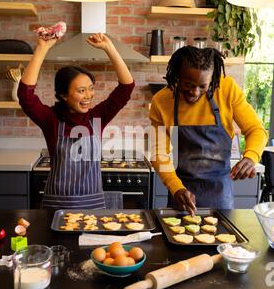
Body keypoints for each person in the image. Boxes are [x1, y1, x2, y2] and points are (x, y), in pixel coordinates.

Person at [18, 33, 135, 209]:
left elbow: (126, 87)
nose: (89, 96)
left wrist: (109, 48)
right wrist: (42, 49)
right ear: (64, 95)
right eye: (81, 90)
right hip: (57, 207)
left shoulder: (97, 117)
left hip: (93, 206)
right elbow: (25, 96)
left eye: (91, 89)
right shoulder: (51, 120)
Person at [149, 46, 267, 214]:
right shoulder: (161, 101)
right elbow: (159, 154)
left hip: (220, 194)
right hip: (181, 192)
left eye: (203, 86)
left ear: (212, 80)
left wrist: (251, 156)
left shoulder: (227, 89)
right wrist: (176, 189)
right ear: (177, 76)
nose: (194, 92)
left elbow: (256, 129)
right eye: (188, 84)